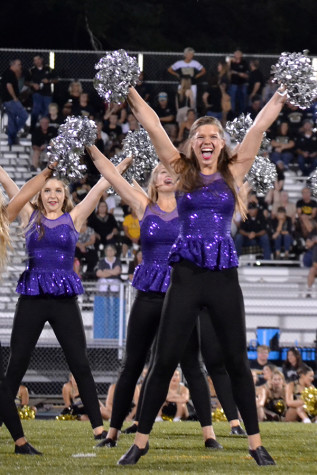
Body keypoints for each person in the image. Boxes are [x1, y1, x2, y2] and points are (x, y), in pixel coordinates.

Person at [116, 80, 287, 466]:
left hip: (223, 277)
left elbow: (259, 128)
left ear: (222, 144)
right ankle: (140, 441)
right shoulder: (180, 170)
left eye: (214, 136)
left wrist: (278, 95)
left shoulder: (234, 170)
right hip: (187, 277)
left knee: (236, 362)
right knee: (163, 361)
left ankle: (256, 444)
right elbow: (154, 126)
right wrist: (129, 91)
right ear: (192, 144)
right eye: (200, 136)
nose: (207, 141)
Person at [4, 157, 131, 443]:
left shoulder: (73, 217)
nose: (52, 196)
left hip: (63, 299)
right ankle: (7, 423)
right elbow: (12, 187)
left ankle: (100, 430)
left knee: (80, 363)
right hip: (33, 297)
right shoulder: (29, 214)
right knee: (17, 363)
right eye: (47, 191)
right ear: (39, 195)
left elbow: (100, 187)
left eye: (58, 191)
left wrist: (120, 166)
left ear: (65, 196)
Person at [0, 164, 66, 455]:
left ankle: (20, 442)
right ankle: (20, 442)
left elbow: (25, 192)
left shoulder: (2, 218)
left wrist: (49, 169)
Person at [1, 59, 28, 146]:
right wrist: (14, 97)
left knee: (12, 119)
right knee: (24, 115)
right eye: (19, 64)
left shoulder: (9, 73)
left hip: (7, 100)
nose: (20, 66)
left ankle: (11, 140)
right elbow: (9, 85)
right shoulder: (9, 73)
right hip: (11, 100)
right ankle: (12, 132)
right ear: (13, 65)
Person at [27, 53, 58, 131]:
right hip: (37, 93)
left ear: (41, 59)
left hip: (47, 93)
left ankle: (45, 129)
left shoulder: (48, 69)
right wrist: (33, 84)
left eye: (38, 59)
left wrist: (49, 81)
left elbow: (56, 79)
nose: (36, 61)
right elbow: (26, 81)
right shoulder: (32, 70)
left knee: (47, 111)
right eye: (35, 60)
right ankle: (32, 128)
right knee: (36, 109)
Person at [227, 49, 249, 116]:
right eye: (235, 53)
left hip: (242, 84)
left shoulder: (244, 63)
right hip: (233, 84)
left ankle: (242, 114)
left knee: (243, 100)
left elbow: (246, 75)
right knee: (232, 100)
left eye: (238, 53)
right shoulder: (232, 63)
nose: (236, 55)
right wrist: (229, 62)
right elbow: (228, 72)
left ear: (241, 55)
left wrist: (236, 73)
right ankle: (233, 114)